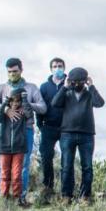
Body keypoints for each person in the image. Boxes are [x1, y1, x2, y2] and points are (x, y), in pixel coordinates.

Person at [0, 57, 47, 203]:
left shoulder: (31, 88)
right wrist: (6, 109)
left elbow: (43, 107)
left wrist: (25, 106)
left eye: (15, 71)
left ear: (21, 70)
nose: (12, 74)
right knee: (3, 167)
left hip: (25, 131)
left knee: (23, 166)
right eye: (9, 72)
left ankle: (20, 197)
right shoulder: (1, 88)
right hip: (6, 131)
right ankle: (1, 197)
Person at [50, 67, 104, 202]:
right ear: (70, 81)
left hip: (87, 135)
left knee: (87, 167)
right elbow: (54, 103)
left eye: (80, 82)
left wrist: (92, 87)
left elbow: (100, 103)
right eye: (74, 82)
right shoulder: (66, 93)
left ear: (85, 81)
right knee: (66, 166)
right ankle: (66, 195)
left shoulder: (89, 94)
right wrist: (64, 87)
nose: (77, 85)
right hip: (67, 133)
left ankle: (85, 196)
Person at [38, 57, 67, 199]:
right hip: (48, 127)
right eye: (55, 66)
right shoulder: (44, 86)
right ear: (51, 69)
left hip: (66, 128)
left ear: (64, 68)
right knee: (46, 157)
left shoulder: (69, 85)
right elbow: (39, 106)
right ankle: (48, 186)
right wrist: (40, 125)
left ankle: (65, 189)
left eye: (60, 66)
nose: (58, 68)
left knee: (66, 159)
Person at [0, 88, 29, 205]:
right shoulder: (4, 114)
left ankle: (16, 199)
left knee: (16, 175)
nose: (15, 103)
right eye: (12, 101)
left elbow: (30, 114)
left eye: (18, 101)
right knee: (4, 174)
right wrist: (4, 105)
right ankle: (3, 199)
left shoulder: (23, 112)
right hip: (4, 147)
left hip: (19, 148)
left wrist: (24, 99)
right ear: (9, 101)